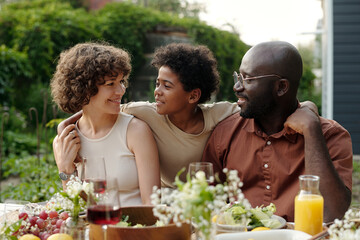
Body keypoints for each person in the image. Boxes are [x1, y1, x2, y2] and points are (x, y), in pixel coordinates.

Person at [202, 41, 353, 222]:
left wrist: (312, 131)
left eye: (248, 80)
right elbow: (204, 205)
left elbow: (331, 215)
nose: (237, 87)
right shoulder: (225, 133)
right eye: (239, 77)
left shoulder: (331, 136)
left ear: (281, 87)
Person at [55, 43, 239, 188]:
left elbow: (249, 109)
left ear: (193, 96)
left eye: (166, 86)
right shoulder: (146, 112)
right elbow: (94, 106)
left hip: (203, 198)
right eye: (157, 84)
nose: (157, 92)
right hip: (167, 200)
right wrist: (63, 127)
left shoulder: (217, 114)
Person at [51, 42, 160, 206]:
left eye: (121, 81)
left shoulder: (135, 131)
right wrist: (66, 170)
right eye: (111, 84)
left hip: (135, 228)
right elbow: (77, 208)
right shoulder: (65, 141)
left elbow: (152, 205)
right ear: (84, 89)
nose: (121, 90)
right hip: (93, 228)